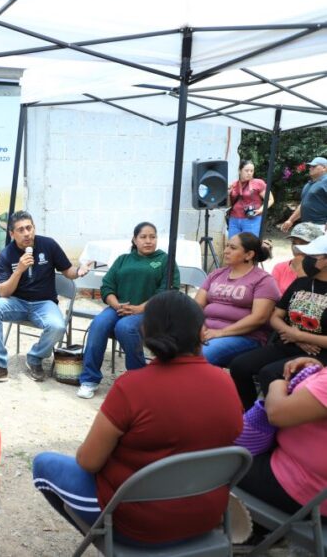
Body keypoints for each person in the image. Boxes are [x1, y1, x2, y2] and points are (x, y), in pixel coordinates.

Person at [32, 291, 243, 546]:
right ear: (202, 332)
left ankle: (109, 543)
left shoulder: (132, 387)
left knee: (43, 464)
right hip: (205, 517)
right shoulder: (226, 383)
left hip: (139, 524)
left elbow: (88, 461)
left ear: (145, 333)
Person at [0, 211, 89, 385]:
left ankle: (35, 358)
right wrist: (19, 269)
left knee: (58, 326)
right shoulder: (6, 254)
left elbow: (68, 271)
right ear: (12, 234)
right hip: (17, 303)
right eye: (21, 230)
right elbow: (4, 292)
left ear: (34, 228)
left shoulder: (48, 245)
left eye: (29, 228)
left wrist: (79, 271)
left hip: (44, 303)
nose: (27, 233)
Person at [76, 222, 179, 399]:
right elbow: (107, 286)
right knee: (98, 324)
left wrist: (139, 308)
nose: (148, 241)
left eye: (152, 237)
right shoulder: (123, 259)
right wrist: (116, 305)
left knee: (125, 327)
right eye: (143, 237)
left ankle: (138, 379)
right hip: (119, 307)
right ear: (134, 239)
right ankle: (89, 379)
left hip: (150, 310)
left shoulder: (164, 260)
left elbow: (168, 291)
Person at [229, 234, 327, 409]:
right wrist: (295, 336)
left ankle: (275, 421)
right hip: (289, 343)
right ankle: (251, 414)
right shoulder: (301, 283)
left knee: (271, 373)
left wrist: (299, 335)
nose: (304, 260)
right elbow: (275, 316)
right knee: (240, 366)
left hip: (319, 353)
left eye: (311, 257)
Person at [236, 356, 327, 519]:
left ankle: (254, 528)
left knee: (220, 463)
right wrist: (316, 371)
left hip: (304, 485)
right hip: (307, 476)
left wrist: (276, 383)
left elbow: (277, 413)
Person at [196, 232, 280, 368]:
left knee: (199, 356)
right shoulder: (216, 274)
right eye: (227, 246)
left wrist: (220, 332)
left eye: (233, 248)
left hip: (245, 337)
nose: (226, 251)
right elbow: (197, 305)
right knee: (169, 346)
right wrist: (200, 327)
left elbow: (259, 317)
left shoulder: (263, 280)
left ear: (249, 255)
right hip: (206, 331)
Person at [271, 222, 325, 295]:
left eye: (304, 243)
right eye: (294, 243)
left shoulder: (322, 270)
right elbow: (272, 298)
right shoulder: (280, 268)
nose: (297, 247)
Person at [280, 157, 327, 231]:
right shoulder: (309, 184)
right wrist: (291, 220)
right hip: (306, 225)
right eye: (310, 166)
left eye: (314, 166)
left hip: (321, 226)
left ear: (324, 168)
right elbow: (303, 204)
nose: (310, 168)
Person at [227, 160, 268, 238]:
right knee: (233, 244)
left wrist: (261, 210)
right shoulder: (234, 185)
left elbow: (270, 200)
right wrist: (228, 194)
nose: (249, 173)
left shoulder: (258, 183)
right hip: (234, 219)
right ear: (240, 171)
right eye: (246, 170)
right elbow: (229, 205)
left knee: (249, 245)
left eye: (251, 171)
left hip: (251, 219)